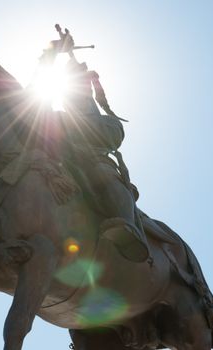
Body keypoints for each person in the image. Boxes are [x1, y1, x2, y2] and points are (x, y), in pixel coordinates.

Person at [61, 57, 149, 263]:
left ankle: (128, 227)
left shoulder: (98, 114)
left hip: (94, 153)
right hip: (66, 156)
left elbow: (110, 134)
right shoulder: (61, 110)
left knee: (102, 173)